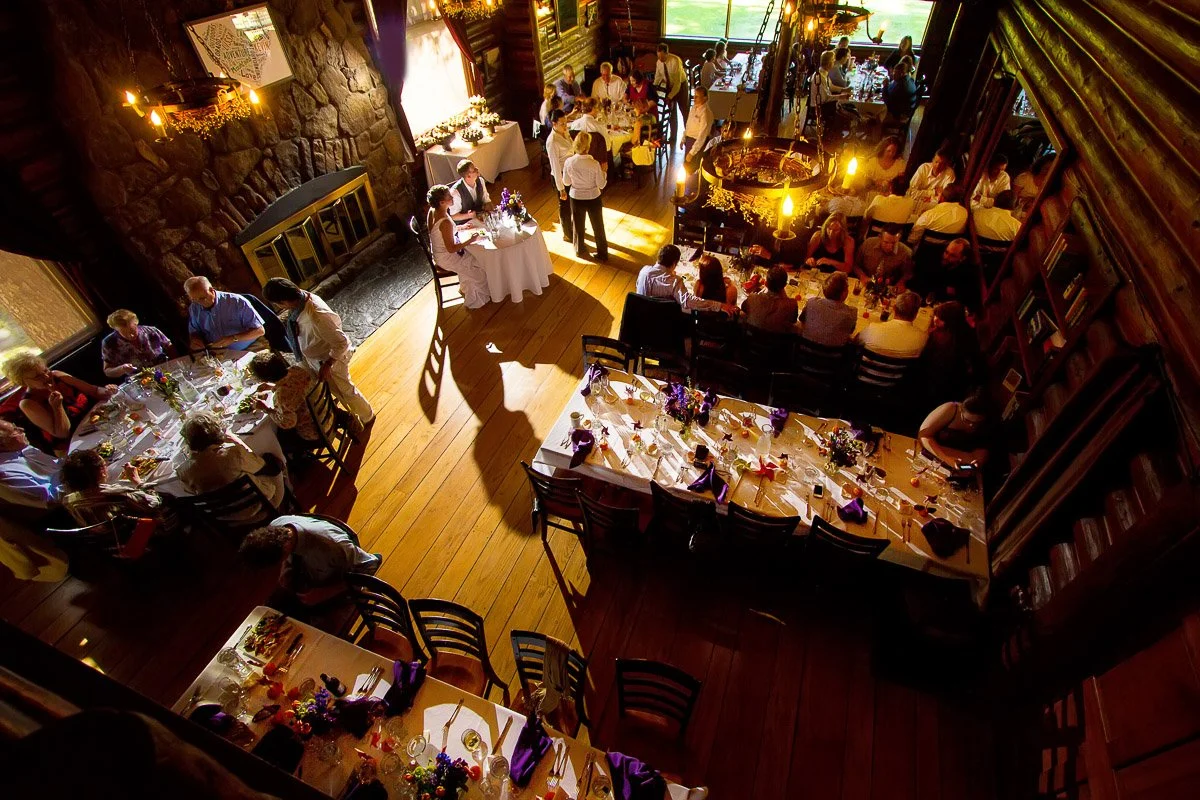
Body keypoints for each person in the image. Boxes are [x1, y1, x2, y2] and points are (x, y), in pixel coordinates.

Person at [262, 278, 374, 428]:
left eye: (277, 304)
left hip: (329, 359)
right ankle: (340, 415)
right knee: (325, 390)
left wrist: (328, 364)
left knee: (345, 391)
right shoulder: (300, 302)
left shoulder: (316, 315)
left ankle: (367, 416)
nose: (278, 307)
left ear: (284, 301)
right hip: (315, 358)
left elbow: (341, 342)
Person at [1, 349, 117, 450]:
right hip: (76, 441)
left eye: (45, 370)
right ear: (23, 382)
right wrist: (57, 407)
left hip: (101, 423)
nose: (46, 377)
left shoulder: (57, 375)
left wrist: (108, 391)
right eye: (37, 377)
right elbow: (62, 434)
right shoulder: (28, 403)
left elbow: (94, 391)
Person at [239, 514, 381, 595]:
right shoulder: (276, 525)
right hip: (310, 573)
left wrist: (325, 593)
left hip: (339, 576)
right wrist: (285, 570)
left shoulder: (331, 545)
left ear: (284, 549)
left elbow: (369, 566)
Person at [176, 411, 285, 511]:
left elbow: (191, 492)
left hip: (224, 516)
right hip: (258, 507)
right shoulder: (233, 453)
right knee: (271, 461)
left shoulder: (183, 471)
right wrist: (238, 442)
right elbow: (260, 465)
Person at [425, 184, 491, 309]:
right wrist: (471, 239)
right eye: (449, 196)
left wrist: (459, 227)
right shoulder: (445, 222)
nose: (452, 197)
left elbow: (438, 234)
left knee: (474, 257)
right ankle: (474, 298)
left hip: (438, 253)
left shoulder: (432, 211)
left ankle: (467, 287)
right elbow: (451, 249)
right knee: (479, 264)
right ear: (442, 202)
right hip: (447, 257)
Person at [59, 447, 163, 525]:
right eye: (105, 465)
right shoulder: (117, 495)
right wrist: (138, 481)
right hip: (140, 535)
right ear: (101, 472)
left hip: (107, 542)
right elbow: (155, 502)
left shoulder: (68, 501)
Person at [247, 351, 319, 445]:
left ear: (264, 379)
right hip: (323, 413)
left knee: (276, 436)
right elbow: (294, 388)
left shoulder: (281, 396)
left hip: (313, 430)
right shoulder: (296, 370)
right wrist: (273, 387)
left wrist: (265, 408)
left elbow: (287, 423)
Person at [636, 246, 735, 313]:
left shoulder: (643, 271)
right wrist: (719, 306)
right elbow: (688, 301)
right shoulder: (674, 282)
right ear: (674, 263)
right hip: (661, 325)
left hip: (639, 318)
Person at [185, 276, 265, 353]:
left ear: (211, 290)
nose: (200, 303)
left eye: (202, 298)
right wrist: (195, 340)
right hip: (219, 353)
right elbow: (194, 332)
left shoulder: (237, 302)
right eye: (194, 300)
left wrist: (233, 338)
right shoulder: (194, 308)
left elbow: (259, 331)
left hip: (249, 348)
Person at [562, 132, 608, 261]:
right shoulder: (594, 164)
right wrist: (604, 173)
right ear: (588, 147)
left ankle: (579, 249)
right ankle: (603, 253)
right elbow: (601, 184)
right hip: (593, 197)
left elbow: (566, 182)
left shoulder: (569, 162)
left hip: (576, 197)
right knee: (598, 226)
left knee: (578, 225)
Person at [921, 301, 979, 404]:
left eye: (940, 318)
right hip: (955, 385)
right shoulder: (966, 331)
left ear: (950, 321)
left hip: (942, 386)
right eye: (936, 316)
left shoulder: (944, 341)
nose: (935, 319)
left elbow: (926, 360)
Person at [918, 391, 990, 468]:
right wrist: (948, 459)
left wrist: (978, 461)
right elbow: (923, 436)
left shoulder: (988, 424)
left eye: (977, 423)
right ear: (961, 409)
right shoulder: (950, 409)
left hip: (959, 467)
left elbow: (980, 454)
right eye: (966, 420)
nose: (971, 425)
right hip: (931, 457)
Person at [0, 418, 60, 511]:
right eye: (15, 430)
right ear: (2, 445)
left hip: (75, 478)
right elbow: (51, 499)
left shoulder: (22, 449)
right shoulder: (5, 473)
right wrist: (80, 478)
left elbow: (59, 465)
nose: (22, 429)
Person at [100, 309, 175, 379]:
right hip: (142, 381)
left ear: (136, 323)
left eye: (132, 330)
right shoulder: (109, 343)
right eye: (124, 333)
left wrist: (175, 366)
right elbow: (108, 371)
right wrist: (122, 368)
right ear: (116, 329)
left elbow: (170, 347)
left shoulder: (151, 331)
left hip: (165, 373)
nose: (131, 335)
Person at [855, 290, 927, 358]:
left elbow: (856, 341)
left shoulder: (872, 328)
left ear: (894, 308)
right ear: (916, 314)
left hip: (864, 369)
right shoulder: (922, 338)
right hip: (898, 371)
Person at [799, 272, 857, 347]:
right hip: (832, 357)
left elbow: (801, 320)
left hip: (805, 351)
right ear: (843, 294)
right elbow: (850, 332)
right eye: (847, 288)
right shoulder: (851, 313)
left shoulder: (811, 303)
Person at [546, 110, 575, 245]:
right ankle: (567, 233)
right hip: (561, 176)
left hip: (570, 173)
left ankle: (573, 227)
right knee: (564, 205)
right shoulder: (552, 141)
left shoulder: (564, 132)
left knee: (572, 203)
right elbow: (555, 166)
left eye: (566, 123)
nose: (565, 126)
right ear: (554, 124)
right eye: (562, 124)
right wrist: (561, 188)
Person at [741, 266, 798, 333]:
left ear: (766, 283)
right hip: (776, 342)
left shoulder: (753, 298)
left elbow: (743, 308)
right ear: (785, 285)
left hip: (750, 339)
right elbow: (793, 321)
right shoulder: (792, 305)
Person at [856, 225, 914, 289]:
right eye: (886, 242)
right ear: (880, 238)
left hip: (887, 287)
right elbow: (855, 264)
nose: (890, 247)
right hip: (865, 282)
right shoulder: (868, 243)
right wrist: (862, 276)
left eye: (894, 243)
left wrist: (901, 283)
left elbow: (907, 274)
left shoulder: (906, 252)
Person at [654, 43, 689, 144]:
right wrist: (654, 88)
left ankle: (688, 136)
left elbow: (677, 83)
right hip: (670, 86)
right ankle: (673, 137)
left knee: (684, 111)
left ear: (667, 53)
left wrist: (669, 97)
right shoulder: (658, 62)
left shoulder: (675, 61)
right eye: (658, 56)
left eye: (662, 57)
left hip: (681, 86)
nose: (660, 59)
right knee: (671, 112)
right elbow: (658, 77)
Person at [810, 50, 852, 131]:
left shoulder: (824, 72)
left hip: (824, 103)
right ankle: (834, 132)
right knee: (844, 111)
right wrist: (841, 96)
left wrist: (844, 89)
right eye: (833, 61)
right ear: (829, 63)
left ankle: (837, 131)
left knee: (847, 107)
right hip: (819, 107)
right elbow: (826, 98)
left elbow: (831, 87)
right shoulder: (820, 76)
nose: (834, 63)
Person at [568, 98, 611, 167]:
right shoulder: (599, 127)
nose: (598, 110)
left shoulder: (574, 125)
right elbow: (607, 147)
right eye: (597, 108)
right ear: (593, 109)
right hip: (595, 163)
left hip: (577, 163)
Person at [1013, 153, 1054, 219]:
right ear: (1041, 165)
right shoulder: (1025, 177)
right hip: (1016, 210)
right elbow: (1013, 196)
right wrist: (1023, 201)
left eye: (1051, 169)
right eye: (1046, 168)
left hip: (1031, 215)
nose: (1047, 172)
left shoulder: (1050, 186)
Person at [682, 87, 714, 167]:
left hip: (697, 145)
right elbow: (688, 124)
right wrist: (683, 138)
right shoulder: (694, 107)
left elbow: (702, 136)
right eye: (694, 96)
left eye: (697, 96)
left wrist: (692, 153)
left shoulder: (705, 113)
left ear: (705, 98)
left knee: (693, 167)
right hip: (689, 141)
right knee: (687, 165)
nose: (694, 98)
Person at [627, 70, 657, 145]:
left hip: (648, 114)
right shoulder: (631, 86)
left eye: (633, 81)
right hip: (642, 114)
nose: (632, 83)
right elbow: (625, 96)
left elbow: (654, 100)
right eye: (630, 81)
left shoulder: (648, 86)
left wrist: (642, 109)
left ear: (639, 79)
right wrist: (628, 103)